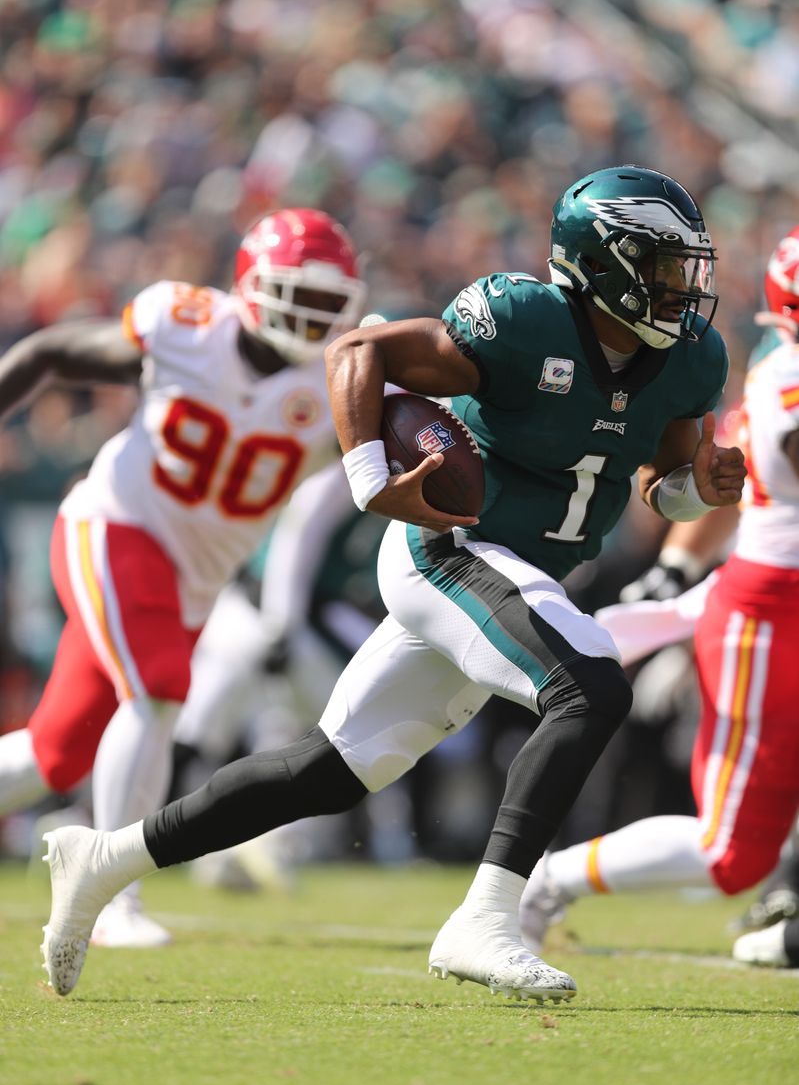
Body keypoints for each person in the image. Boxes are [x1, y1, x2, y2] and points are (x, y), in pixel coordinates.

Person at [40, 164, 745, 1002]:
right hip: (448, 548)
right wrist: (371, 474)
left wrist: (700, 485)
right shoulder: (521, 321)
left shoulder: (690, 361)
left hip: (527, 568)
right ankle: (485, 920)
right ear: (599, 262)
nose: (681, 288)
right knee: (585, 687)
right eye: (660, 266)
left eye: (685, 267)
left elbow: (660, 482)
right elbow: (359, 348)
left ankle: (103, 858)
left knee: (331, 771)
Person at [0, 207, 366, 945]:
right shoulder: (187, 327)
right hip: (114, 528)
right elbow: (52, 352)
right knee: (160, 690)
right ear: (253, 285)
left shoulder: (340, 379)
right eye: (301, 293)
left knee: (55, 751)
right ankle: (108, 897)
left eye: (330, 300)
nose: (314, 313)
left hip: (193, 578)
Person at [519, 223, 799, 962]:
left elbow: (732, 495)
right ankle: (546, 882)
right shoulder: (788, 379)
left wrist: (675, 572)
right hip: (772, 619)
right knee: (729, 854)